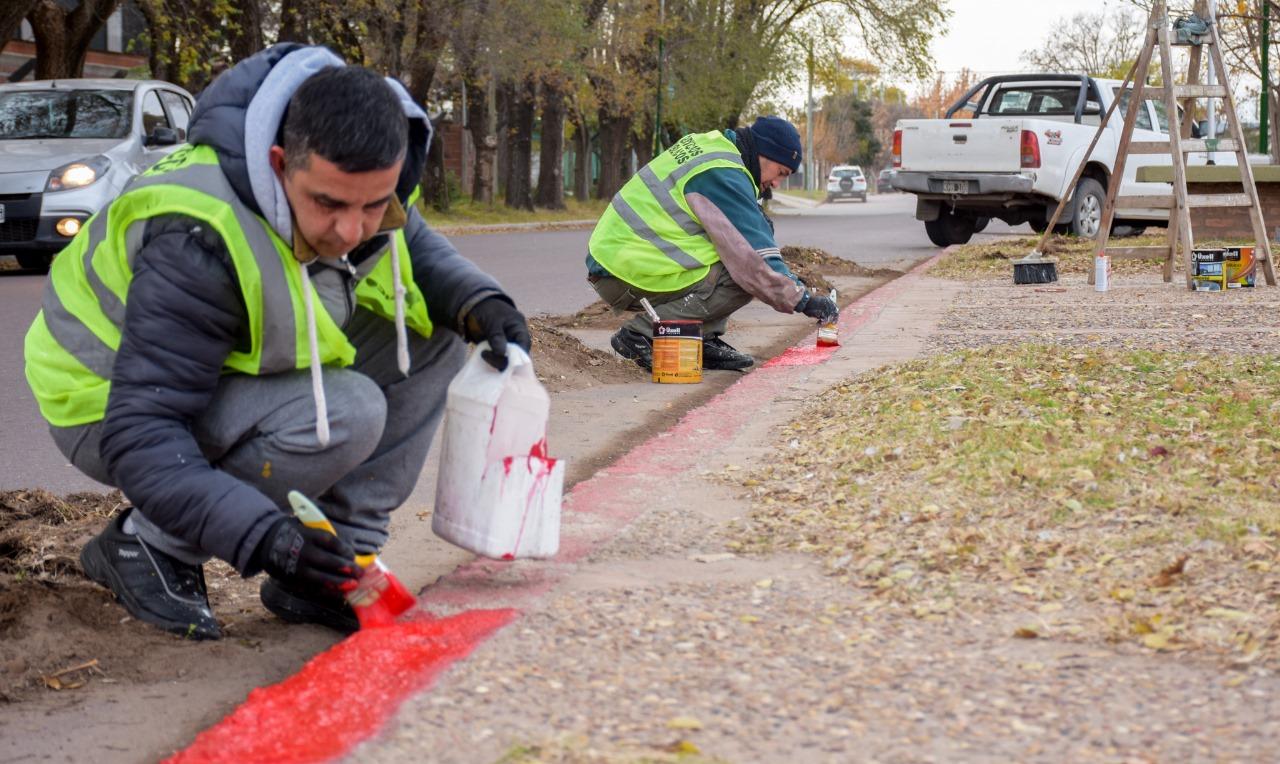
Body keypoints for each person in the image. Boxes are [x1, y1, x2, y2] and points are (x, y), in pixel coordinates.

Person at [22, 44, 531, 640]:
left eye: (374, 204)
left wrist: (481, 302)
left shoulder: (364, 171)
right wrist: (263, 535)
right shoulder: (198, 233)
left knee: (434, 335)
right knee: (346, 411)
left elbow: (410, 247)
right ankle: (145, 546)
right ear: (279, 161)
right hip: (104, 405)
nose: (351, 231)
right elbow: (144, 432)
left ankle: (333, 562)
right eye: (330, 204)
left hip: (210, 376)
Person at [586, 115, 838, 371]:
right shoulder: (725, 173)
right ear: (764, 153)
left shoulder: (712, 146)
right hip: (624, 270)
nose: (776, 183)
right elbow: (755, 257)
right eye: (780, 173)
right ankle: (642, 334)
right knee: (743, 276)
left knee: (730, 260)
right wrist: (803, 300)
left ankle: (697, 338)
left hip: (618, 259)